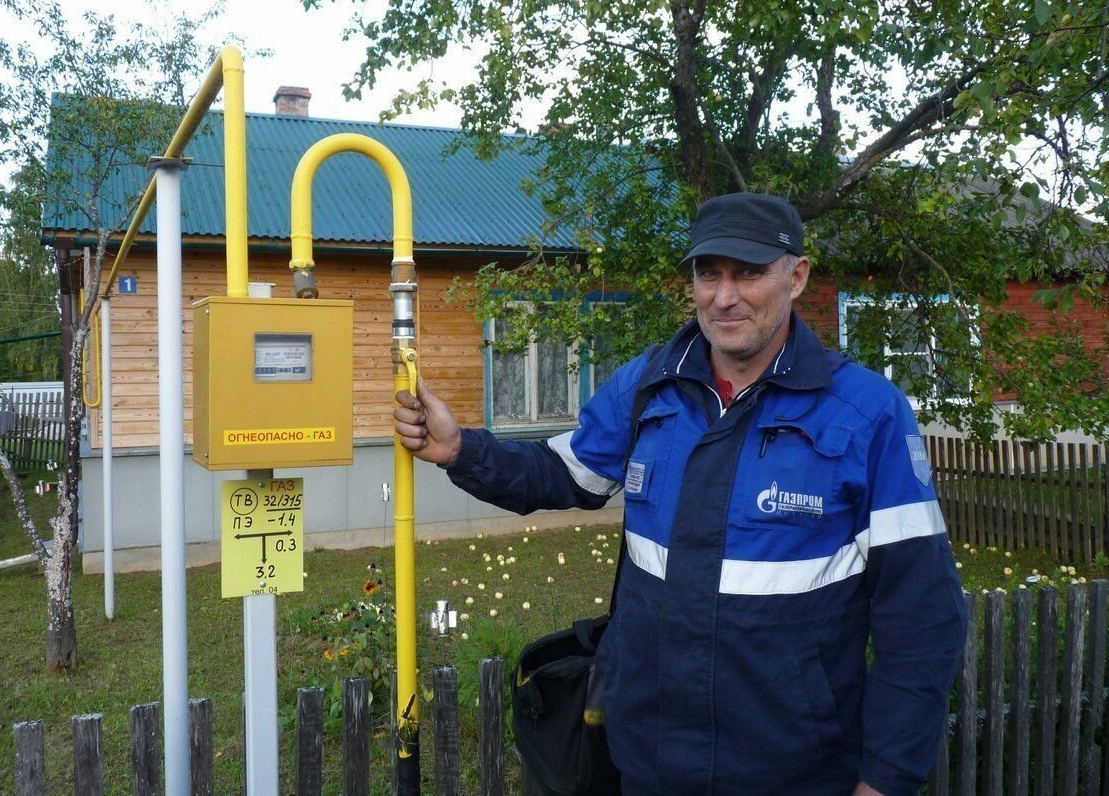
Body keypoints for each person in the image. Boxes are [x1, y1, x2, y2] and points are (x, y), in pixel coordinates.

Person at [394, 192, 967, 796]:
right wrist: (461, 450)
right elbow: (561, 474)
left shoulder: (866, 414)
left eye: (749, 273)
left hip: (797, 771)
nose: (724, 297)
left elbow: (922, 616)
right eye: (708, 273)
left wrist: (886, 779)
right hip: (649, 759)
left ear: (796, 277)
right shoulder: (648, 386)